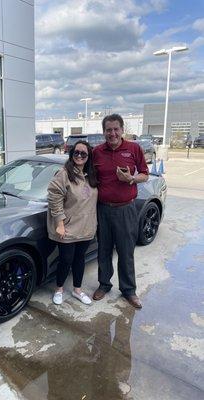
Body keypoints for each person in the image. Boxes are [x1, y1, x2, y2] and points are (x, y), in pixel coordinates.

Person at [93, 114, 149, 308]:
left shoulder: (134, 148)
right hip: (102, 209)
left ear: (122, 130)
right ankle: (104, 284)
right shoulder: (97, 152)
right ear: (104, 132)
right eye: (108, 130)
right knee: (104, 250)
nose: (112, 133)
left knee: (126, 251)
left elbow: (145, 174)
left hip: (126, 209)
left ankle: (129, 290)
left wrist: (132, 179)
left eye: (116, 129)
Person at [47, 140, 98, 305]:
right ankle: (59, 289)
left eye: (84, 153)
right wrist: (60, 224)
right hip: (68, 228)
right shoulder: (63, 174)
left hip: (86, 227)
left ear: (88, 157)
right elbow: (54, 199)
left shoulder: (92, 175)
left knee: (80, 259)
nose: (79, 156)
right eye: (76, 152)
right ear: (71, 154)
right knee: (65, 259)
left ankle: (77, 290)